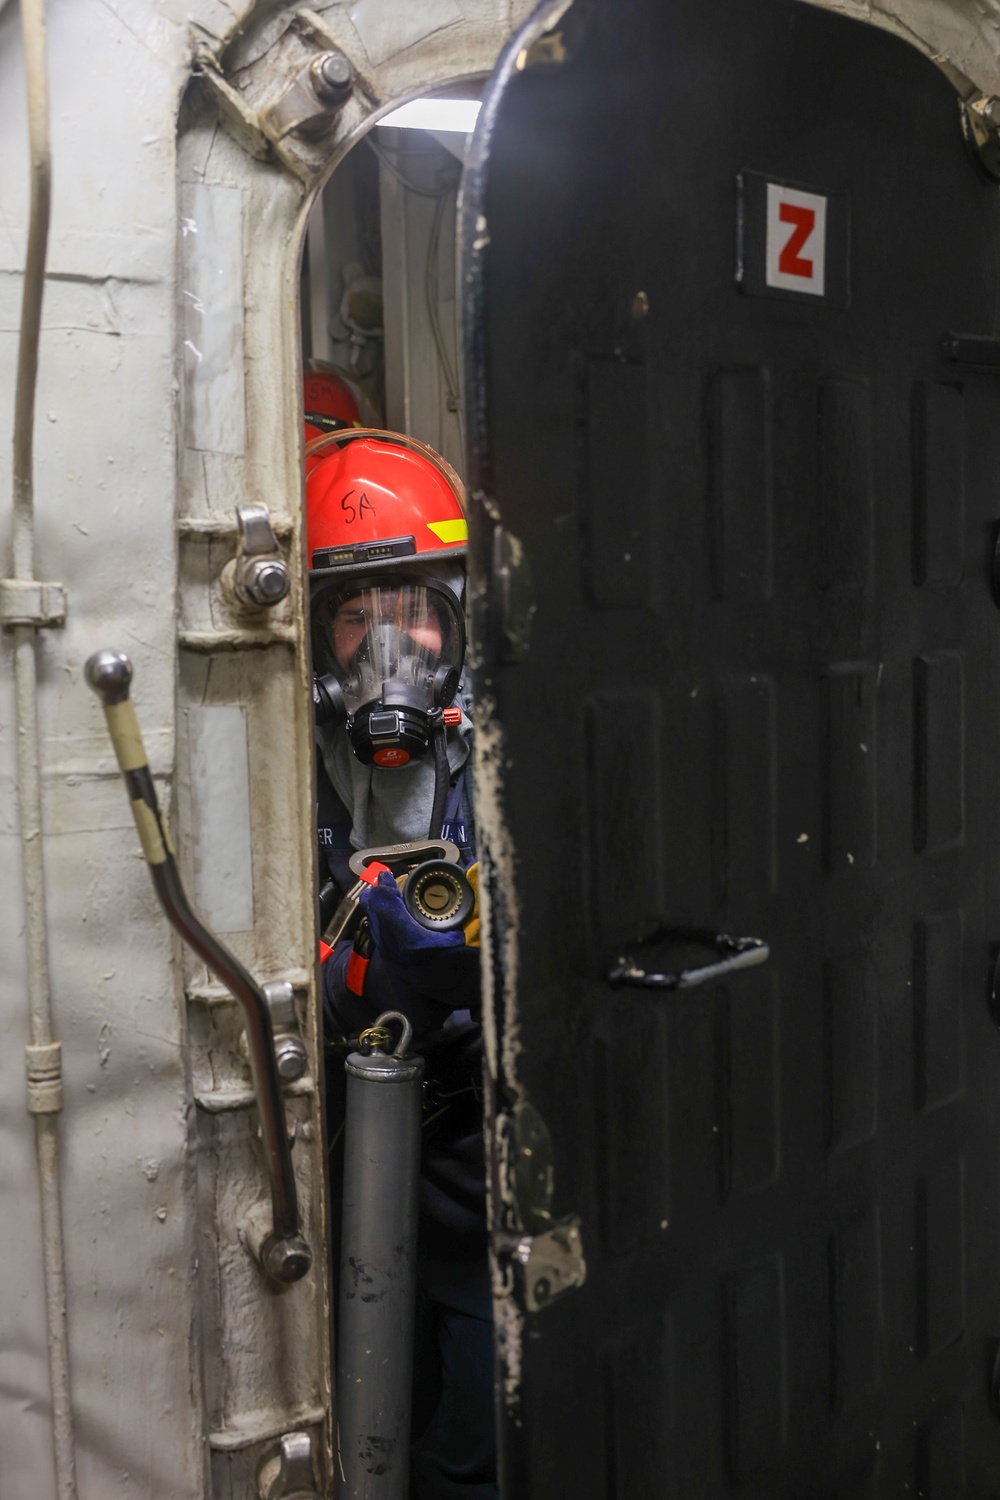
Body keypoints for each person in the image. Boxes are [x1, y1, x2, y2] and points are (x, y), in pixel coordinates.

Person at [306, 424, 496, 1500]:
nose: (388, 649)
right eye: (353, 614)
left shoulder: (506, 751)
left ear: (455, 619)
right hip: (350, 1178)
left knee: (474, 1446)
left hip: (472, 1177)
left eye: (413, 608)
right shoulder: (289, 760)